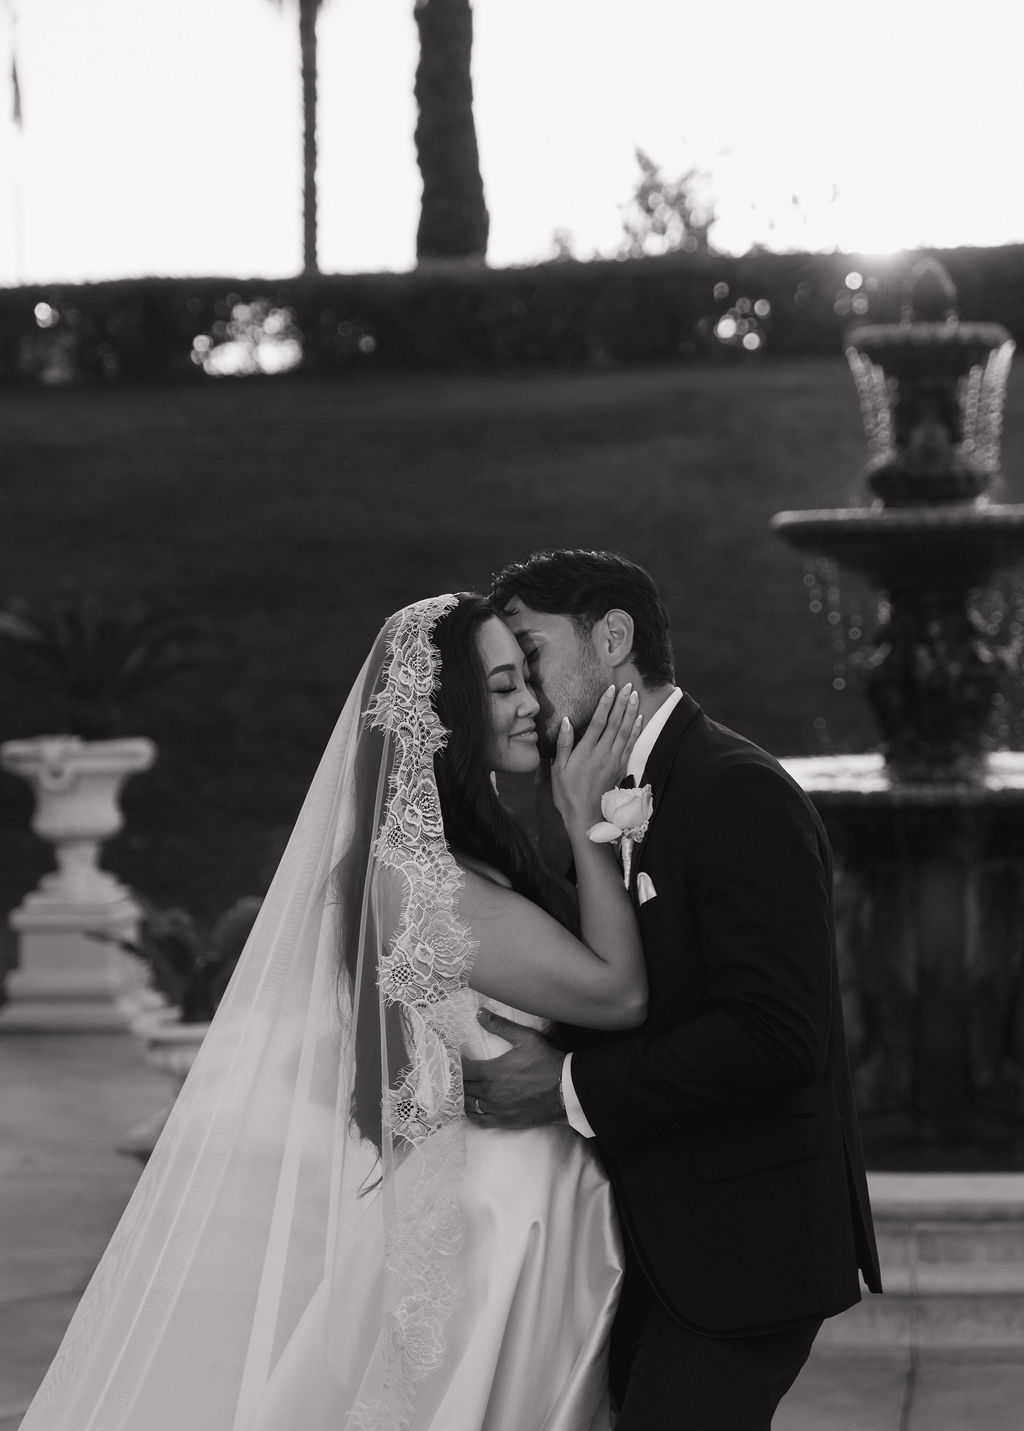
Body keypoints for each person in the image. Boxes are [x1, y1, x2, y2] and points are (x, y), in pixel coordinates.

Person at [19, 592, 649, 1431]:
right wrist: (584, 817)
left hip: (514, 1200)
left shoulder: (438, 859)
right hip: (508, 1222)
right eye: (501, 688)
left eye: (525, 679)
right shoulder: (430, 887)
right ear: (445, 714)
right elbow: (619, 994)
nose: (530, 703)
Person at [463, 549, 883, 1431]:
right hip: (654, 1243)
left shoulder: (734, 790)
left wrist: (564, 1086)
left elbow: (776, 1036)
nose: (528, 696)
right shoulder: (590, 792)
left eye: (532, 653)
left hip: (744, 1245)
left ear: (612, 637)